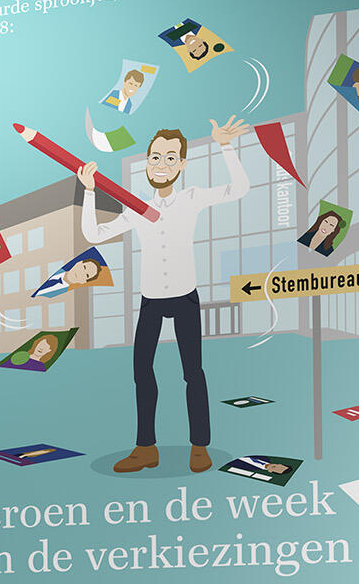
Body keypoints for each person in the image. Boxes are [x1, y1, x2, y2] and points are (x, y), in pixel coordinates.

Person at [78, 118, 251, 475]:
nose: (161, 164)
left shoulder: (192, 198)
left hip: (186, 296)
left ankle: (199, 446)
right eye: (155, 157)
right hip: (151, 300)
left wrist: (225, 146)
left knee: (193, 372)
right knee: (142, 371)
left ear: (182, 164)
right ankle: (146, 449)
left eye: (170, 158)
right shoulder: (135, 208)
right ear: (146, 161)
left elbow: (240, 189)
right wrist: (90, 190)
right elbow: (94, 234)